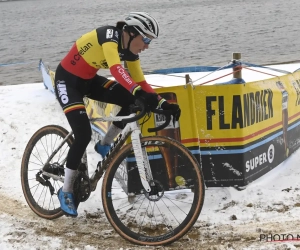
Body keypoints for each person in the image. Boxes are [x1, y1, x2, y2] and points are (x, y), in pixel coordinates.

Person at [54, 12, 181, 217]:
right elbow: (115, 69)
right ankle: (66, 191)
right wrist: (137, 91)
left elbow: (140, 82)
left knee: (132, 101)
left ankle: (105, 144)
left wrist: (163, 102)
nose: (147, 46)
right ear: (131, 33)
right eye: (146, 39)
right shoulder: (109, 36)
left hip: (88, 80)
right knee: (83, 133)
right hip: (67, 82)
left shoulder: (130, 50)